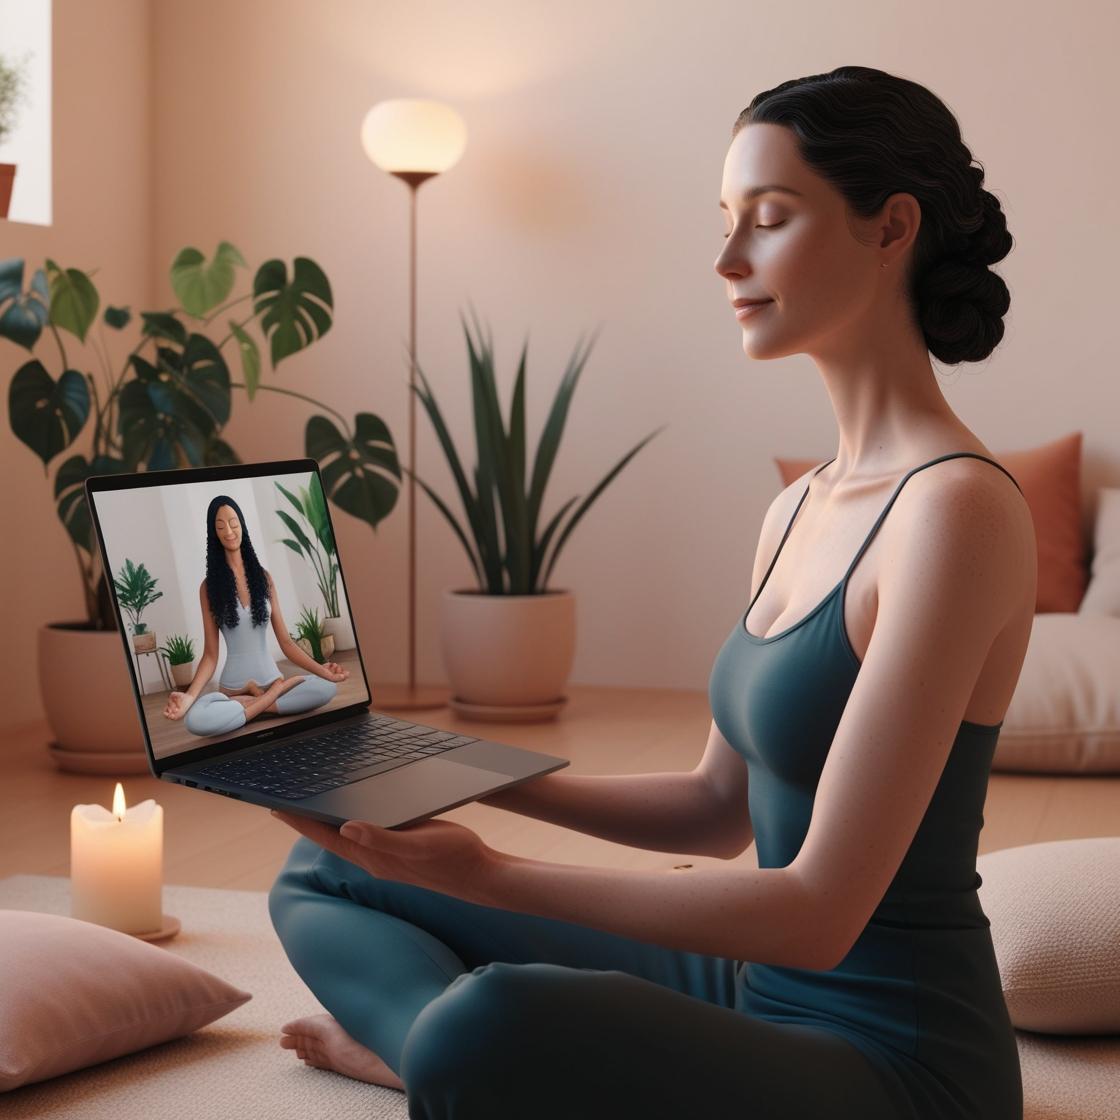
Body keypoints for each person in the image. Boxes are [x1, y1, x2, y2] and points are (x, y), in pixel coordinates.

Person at [267, 65, 1034, 1119]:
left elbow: (816, 912)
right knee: (332, 878)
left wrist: (483, 871)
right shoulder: (801, 503)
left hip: (890, 1059)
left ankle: (432, 1055)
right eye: (726, 221)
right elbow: (715, 808)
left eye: (767, 220)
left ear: (889, 227)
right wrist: (444, 770)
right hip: (748, 981)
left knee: (484, 1018)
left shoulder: (956, 512)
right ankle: (441, 1062)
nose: (726, 260)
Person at [162, 494, 347, 738]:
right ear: (214, 533)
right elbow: (210, 655)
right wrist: (189, 697)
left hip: (267, 684)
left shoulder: (265, 578)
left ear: (243, 526)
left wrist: (324, 672)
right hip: (235, 692)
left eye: (234, 523)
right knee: (195, 720)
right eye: (220, 526)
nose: (229, 531)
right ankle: (272, 702)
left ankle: (254, 708)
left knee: (326, 688)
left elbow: (287, 643)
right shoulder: (208, 588)